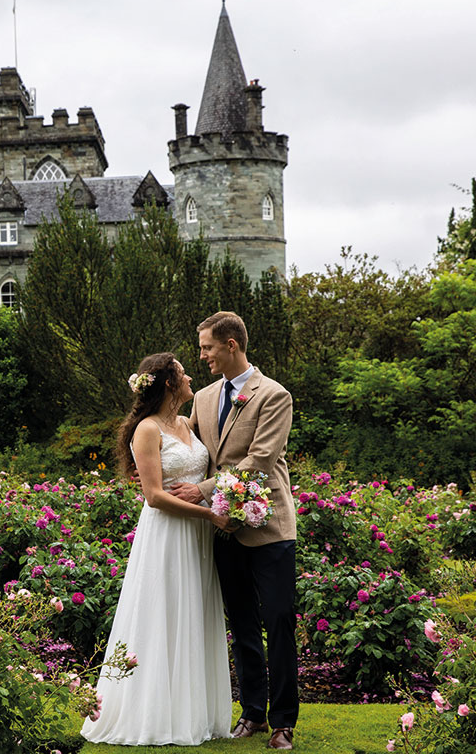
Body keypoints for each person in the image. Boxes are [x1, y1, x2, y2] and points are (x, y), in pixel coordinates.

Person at [81, 352, 233, 746]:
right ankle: (153, 714)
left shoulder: (185, 422)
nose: (189, 377)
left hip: (197, 539)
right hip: (169, 533)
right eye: (183, 373)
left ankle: (192, 712)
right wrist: (209, 516)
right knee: (164, 615)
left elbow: (201, 465)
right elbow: (153, 496)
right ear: (169, 383)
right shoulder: (146, 430)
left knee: (192, 615)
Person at [168, 311, 299, 750]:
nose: (201, 355)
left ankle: (284, 722)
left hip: (269, 527)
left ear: (230, 345)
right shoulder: (203, 398)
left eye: (206, 347)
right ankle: (253, 715)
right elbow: (186, 442)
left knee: (278, 621)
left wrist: (200, 489)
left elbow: (259, 462)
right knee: (242, 624)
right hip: (223, 528)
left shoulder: (274, 395)